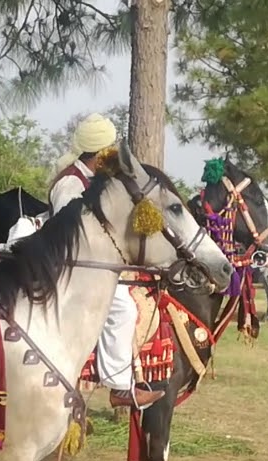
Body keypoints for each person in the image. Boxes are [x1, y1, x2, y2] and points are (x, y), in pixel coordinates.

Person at [48, 113, 164, 409]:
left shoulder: (92, 180)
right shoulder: (70, 186)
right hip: (69, 269)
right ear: (100, 153)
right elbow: (69, 235)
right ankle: (119, 387)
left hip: (91, 266)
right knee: (123, 307)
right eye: (109, 148)